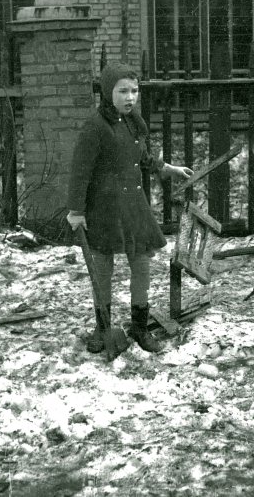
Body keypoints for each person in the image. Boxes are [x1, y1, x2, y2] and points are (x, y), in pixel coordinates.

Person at [66, 63, 193, 354]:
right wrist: (76, 210)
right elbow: (80, 173)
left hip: (134, 205)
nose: (130, 97)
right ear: (107, 92)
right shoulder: (95, 127)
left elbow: (142, 157)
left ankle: (139, 326)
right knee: (102, 269)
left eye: (134, 91)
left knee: (141, 265)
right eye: (123, 91)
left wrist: (168, 168)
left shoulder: (132, 122)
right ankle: (102, 327)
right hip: (103, 209)